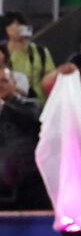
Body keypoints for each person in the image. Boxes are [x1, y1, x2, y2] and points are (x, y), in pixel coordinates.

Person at [0, 65, 46, 208]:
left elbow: (35, 120)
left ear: (14, 84)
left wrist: (4, 107)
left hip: (28, 185)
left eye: (4, 81)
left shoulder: (31, 105)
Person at [2, 12, 55, 103]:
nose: (21, 28)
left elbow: (51, 79)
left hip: (36, 107)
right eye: (16, 25)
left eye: (23, 25)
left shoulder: (40, 52)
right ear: (7, 29)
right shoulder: (2, 52)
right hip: (7, 106)